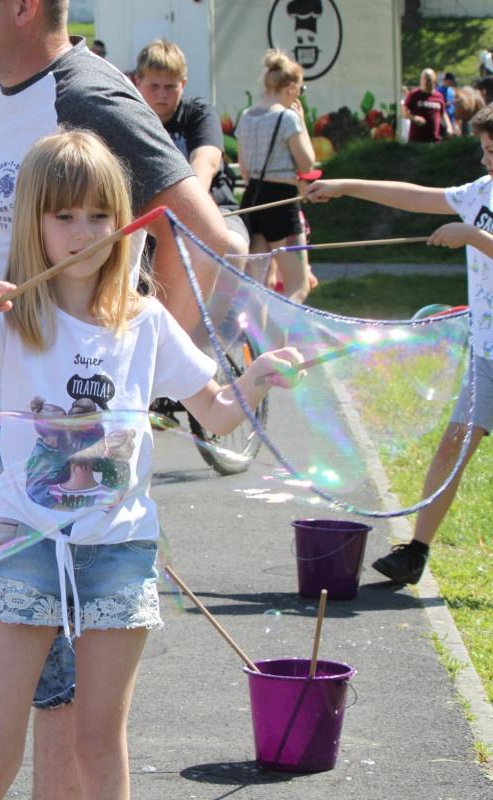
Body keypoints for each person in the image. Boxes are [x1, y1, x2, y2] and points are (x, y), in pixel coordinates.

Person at [0, 131, 303, 799]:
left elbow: (216, 413)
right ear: (33, 223)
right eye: (63, 215)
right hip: (27, 544)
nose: (83, 231)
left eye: (99, 214)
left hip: (120, 552)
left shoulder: (143, 321)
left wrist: (256, 377)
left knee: (98, 746)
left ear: (123, 223)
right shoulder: (16, 315)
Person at [305, 103, 493, 587]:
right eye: (485, 150)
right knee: (452, 446)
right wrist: (346, 186)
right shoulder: (480, 192)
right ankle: (416, 552)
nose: (485, 160)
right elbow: (415, 196)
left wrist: (473, 236)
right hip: (487, 353)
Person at [134, 39, 249, 255]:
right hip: (147, 215)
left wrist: (189, 209)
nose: (162, 94)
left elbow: (206, 161)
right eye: (154, 86)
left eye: (170, 87)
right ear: (137, 82)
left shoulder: (199, 113)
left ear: (183, 84)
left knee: (233, 246)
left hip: (212, 207)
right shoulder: (129, 118)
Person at [236, 49, 316, 304]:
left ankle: (260, 332)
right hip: (281, 201)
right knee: (298, 286)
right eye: (301, 89)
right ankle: (282, 327)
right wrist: (302, 123)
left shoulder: (246, 117)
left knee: (259, 287)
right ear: (291, 88)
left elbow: (244, 169)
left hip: (252, 199)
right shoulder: (287, 117)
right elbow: (307, 163)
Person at [404, 68, 453, 144]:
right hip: (416, 141)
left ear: (434, 81)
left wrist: (449, 127)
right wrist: (414, 118)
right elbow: (403, 112)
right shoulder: (414, 94)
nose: (425, 82)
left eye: (428, 80)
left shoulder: (439, 96)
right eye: (423, 79)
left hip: (434, 141)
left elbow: (443, 114)